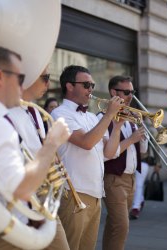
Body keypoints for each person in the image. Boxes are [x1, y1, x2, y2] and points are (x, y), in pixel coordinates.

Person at [0, 46, 70, 249]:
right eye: (20, 79)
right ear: (0, 77)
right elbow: (21, 188)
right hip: (2, 238)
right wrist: (51, 144)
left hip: (6, 230)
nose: (23, 87)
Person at [51, 65, 123, 250]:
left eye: (92, 85)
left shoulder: (92, 117)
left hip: (95, 193)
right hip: (74, 193)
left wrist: (117, 126)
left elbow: (109, 152)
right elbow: (86, 142)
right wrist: (108, 116)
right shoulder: (60, 113)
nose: (90, 89)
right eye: (86, 85)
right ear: (69, 86)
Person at [8, 69, 70, 250]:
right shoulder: (8, 113)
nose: (48, 84)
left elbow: (39, 152)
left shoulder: (35, 112)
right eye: (45, 78)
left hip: (43, 202)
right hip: (21, 208)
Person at [97, 75, 148, 250]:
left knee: (114, 224)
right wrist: (132, 139)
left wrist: (143, 135)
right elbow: (107, 154)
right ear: (113, 92)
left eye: (132, 92)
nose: (130, 96)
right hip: (113, 178)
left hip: (130, 179)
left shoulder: (131, 118)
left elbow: (142, 151)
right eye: (126, 92)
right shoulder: (101, 118)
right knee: (122, 226)